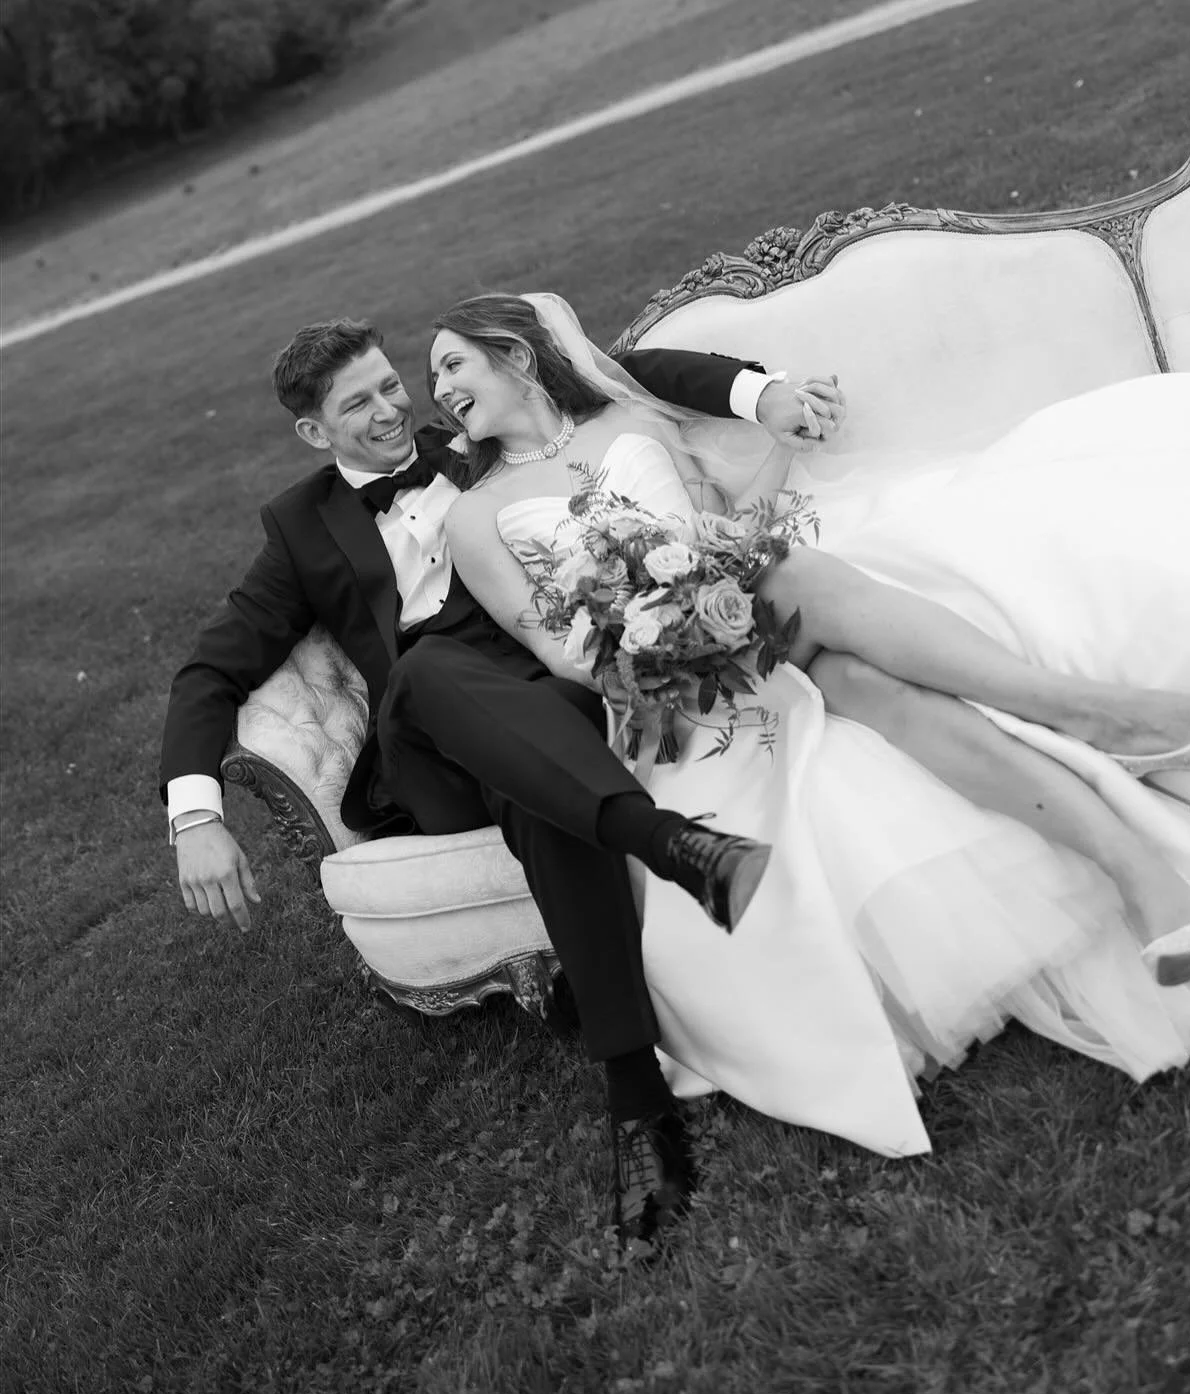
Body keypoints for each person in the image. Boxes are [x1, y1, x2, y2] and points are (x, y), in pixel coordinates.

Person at [431, 292, 1190, 1163]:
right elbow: (551, 645)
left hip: (746, 612)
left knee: (842, 647)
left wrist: (770, 451)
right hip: (665, 692)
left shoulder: (632, 424)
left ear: (513, 356)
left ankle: (1142, 878)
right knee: (840, 647)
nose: (439, 393)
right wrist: (664, 641)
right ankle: (1098, 722)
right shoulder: (473, 517)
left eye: (450, 367)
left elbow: (721, 526)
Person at [159, 313, 850, 1254]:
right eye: (356, 404)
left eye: (390, 384)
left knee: (539, 792)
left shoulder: (475, 432)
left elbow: (618, 366)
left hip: (554, 695)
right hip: (430, 734)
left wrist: (757, 391)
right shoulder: (299, 527)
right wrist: (193, 814)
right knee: (435, 672)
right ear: (314, 433)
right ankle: (662, 843)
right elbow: (211, 670)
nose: (392, 409)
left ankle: (638, 1104)